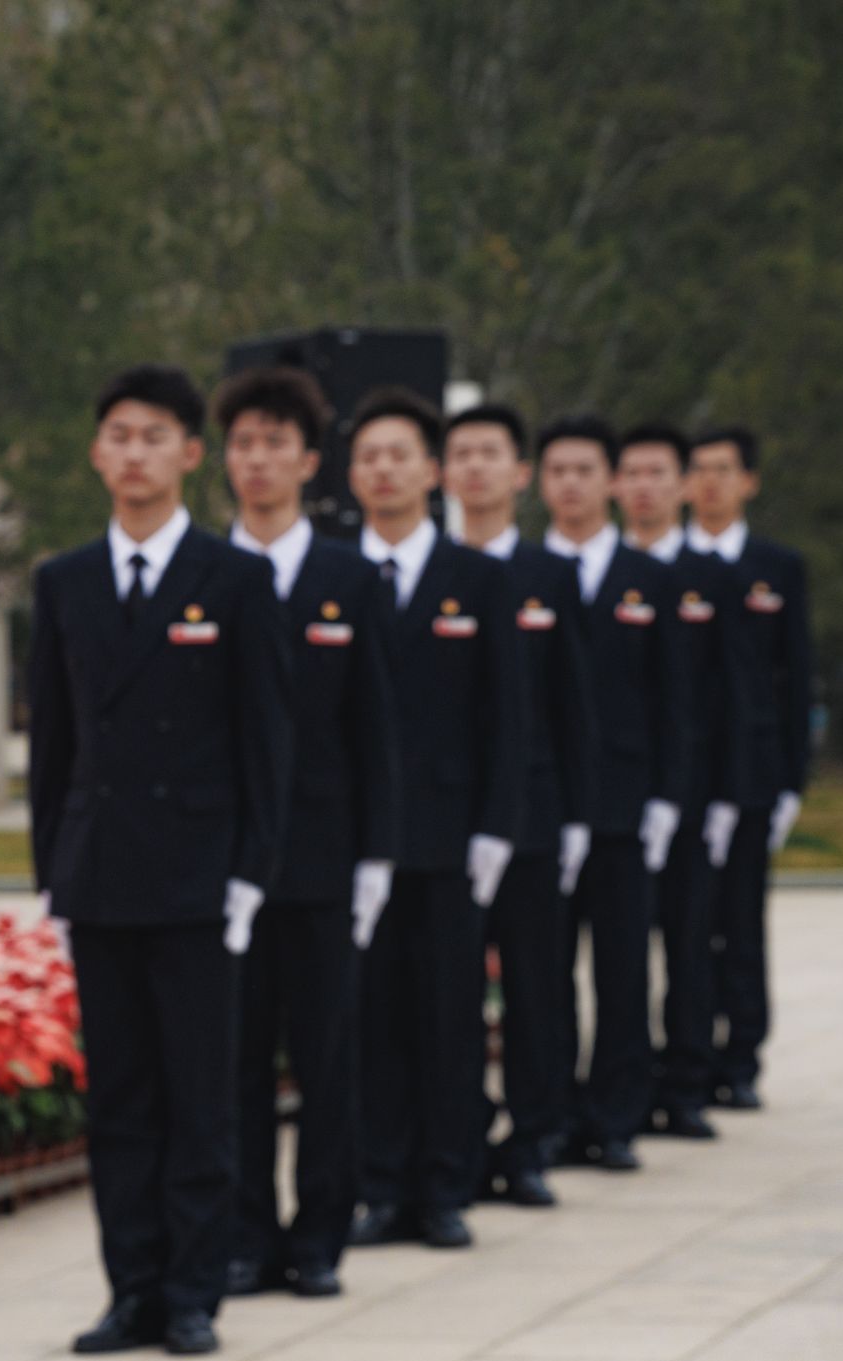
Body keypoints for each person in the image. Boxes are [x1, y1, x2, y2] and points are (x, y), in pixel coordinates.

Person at [29, 363, 295, 1356]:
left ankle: (191, 1293)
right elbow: (52, 747)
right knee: (121, 1101)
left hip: (197, 880)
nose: (133, 453)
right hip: (99, 878)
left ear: (189, 453)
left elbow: (266, 740)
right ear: (97, 454)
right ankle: (129, 1289)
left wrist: (248, 875)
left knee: (201, 1097)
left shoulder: (236, 580)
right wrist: (51, 873)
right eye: (118, 436)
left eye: (154, 437)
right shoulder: (63, 582)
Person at [218, 367, 401, 1300]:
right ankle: (247, 1235)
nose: (259, 461)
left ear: (308, 461)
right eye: (243, 444)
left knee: (328, 1059)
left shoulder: (350, 579)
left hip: (327, 863)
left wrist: (376, 854)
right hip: (230, 867)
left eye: (275, 444)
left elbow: (377, 727)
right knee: (239, 1062)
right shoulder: (205, 576)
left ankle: (322, 1233)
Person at [346, 387, 525, 1253]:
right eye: (370, 456)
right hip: (357, 842)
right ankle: (383, 1185)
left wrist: (497, 825)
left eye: (400, 454)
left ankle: (446, 1185)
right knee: (372, 1018)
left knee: (451, 1017)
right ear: (351, 475)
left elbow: (507, 714)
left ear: (432, 470)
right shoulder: (333, 579)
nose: (385, 469)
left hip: (453, 838)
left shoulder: (481, 580)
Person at [444, 404, 598, 1208]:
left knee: (539, 986)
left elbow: (574, 704)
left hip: (536, 815)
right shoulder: (426, 571)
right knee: (451, 992)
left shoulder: (550, 577)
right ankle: (462, 1135)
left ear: (518, 474)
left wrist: (576, 814)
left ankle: (534, 1137)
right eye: (460, 453)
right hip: (446, 819)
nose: (474, 467)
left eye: (490, 453)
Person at [538, 415, 690, 1173]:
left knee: (624, 967)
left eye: (584, 470)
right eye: (557, 470)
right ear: (540, 482)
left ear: (611, 482)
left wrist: (667, 796)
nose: (570, 483)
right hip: (541, 806)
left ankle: (617, 1112)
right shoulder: (521, 576)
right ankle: (554, 1112)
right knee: (544, 971)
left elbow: (677, 697)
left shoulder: (652, 579)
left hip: (626, 805)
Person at [617, 423, 754, 1139]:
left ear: (681, 486)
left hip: (696, 795)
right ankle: (626, 1083)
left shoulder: (713, 579)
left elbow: (730, 696)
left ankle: (690, 1078)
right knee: (621, 952)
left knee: (691, 940)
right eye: (631, 473)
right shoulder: (603, 575)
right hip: (616, 795)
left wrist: (730, 793)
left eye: (657, 473)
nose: (644, 486)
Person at [686, 427, 813, 1111]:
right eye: (699, 470)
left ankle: (742, 1056)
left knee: (740, 919)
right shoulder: (670, 566)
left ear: (748, 482)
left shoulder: (776, 566)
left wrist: (792, 778)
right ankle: (689, 1051)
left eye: (723, 470)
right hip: (685, 777)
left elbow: (795, 677)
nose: (710, 482)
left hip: (753, 772)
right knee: (686, 920)